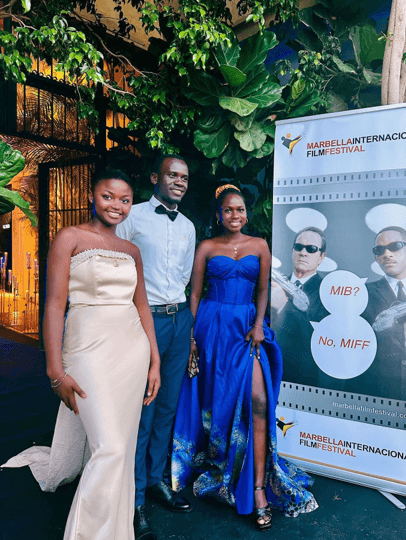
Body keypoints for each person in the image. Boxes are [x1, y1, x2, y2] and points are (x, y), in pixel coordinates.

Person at [3, 169, 161, 540]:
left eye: (125, 200)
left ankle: (115, 530)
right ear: (92, 195)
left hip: (132, 350)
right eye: (108, 196)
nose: (117, 205)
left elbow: (142, 306)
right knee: (110, 446)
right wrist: (54, 370)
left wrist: (155, 360)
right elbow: (55, 305)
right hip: (87, 348)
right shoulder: (69, 237)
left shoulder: (132, 251)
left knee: (120, 448)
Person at [171, 185, 318, 531]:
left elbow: (263, 289)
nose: (234, 215)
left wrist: (258, 324)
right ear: (218, 214)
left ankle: (258, 488)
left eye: (239, 209)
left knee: (259, 400)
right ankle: (228, 465)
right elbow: (195, 294)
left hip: (246, 329)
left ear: (246, 214)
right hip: (211, 327)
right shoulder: (207, 247)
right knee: (219, 401)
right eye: (228, 210)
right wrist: (191, 338)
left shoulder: (260, 245)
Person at [116, 154, 195, 540]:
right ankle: (132, 500)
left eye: (184, 177)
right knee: (143, 409)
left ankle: (154, 481)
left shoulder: (189, 226)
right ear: (155, 178)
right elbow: (117, 268)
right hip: (146, 321)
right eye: (172, 175)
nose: (179, 181)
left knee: (167, 406)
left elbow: (184, 276)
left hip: (180, 320)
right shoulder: (132, 217)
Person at [354, 226, 406, 403]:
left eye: (395, 246)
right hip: (373, 394)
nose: (387, 254)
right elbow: (353, 343)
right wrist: (405, 332)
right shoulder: (361, 294)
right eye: (379, 250)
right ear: (376, 257)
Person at [272, 227, 332, 387]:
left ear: (321, 257)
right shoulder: (273, 284)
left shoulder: (329, 294)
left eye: (311, 249)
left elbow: (318, 340)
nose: (303, 253)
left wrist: (283, 306)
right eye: (299, 247)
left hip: (302, 380)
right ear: (292, 251)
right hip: (268, 370)